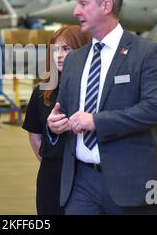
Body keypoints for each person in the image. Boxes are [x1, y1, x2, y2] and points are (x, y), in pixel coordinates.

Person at [47, 0, 157, 215]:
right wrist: (55, 125)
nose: (76, 11)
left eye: (83, 3)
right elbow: (64, 111)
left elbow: (156, 109)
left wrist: (96, 121)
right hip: (80, 183)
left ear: (106, 6)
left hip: (131, 182)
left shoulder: (147, 53)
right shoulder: (75, 60)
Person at [22, 26, 90, 215]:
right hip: (52, 175)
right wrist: (49, 162)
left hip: (86, 174)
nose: (59, 55)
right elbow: (34, 136)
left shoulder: (92, 89)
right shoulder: (42, 92)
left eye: (66, 49)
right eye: (55, 49)